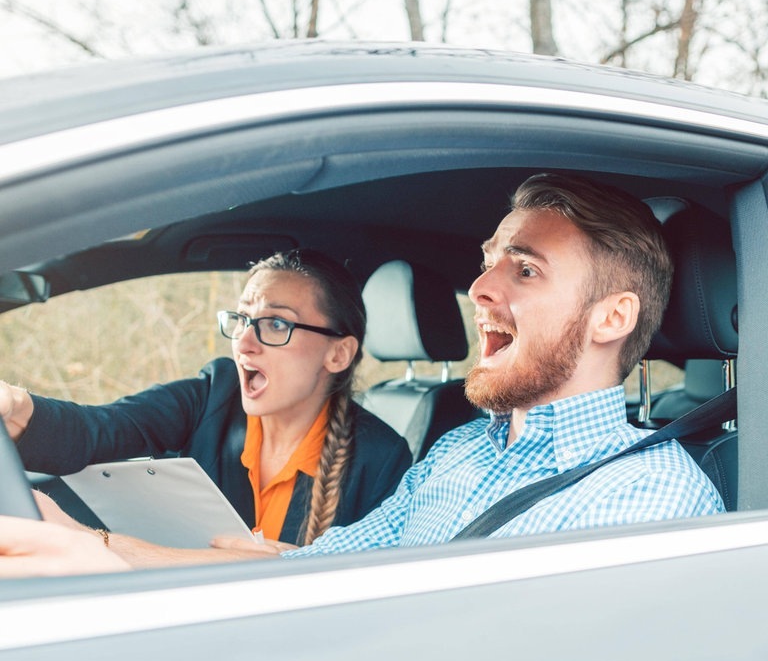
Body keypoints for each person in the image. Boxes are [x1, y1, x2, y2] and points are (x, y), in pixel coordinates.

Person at [0, 173, 726, 575]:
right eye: (488, 260)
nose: (478, 287)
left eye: (524, 268)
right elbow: (312, 574)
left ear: (611, 318)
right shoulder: (459, 453)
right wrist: (95, 551)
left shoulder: (649, 500)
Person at [0, 249, 412, 568]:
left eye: (276, 324)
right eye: (242, 318)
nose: (245, 343)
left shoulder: (380, 458)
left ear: (338, 354)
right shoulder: (213, 393)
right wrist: (17, 407)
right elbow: (102, 429)